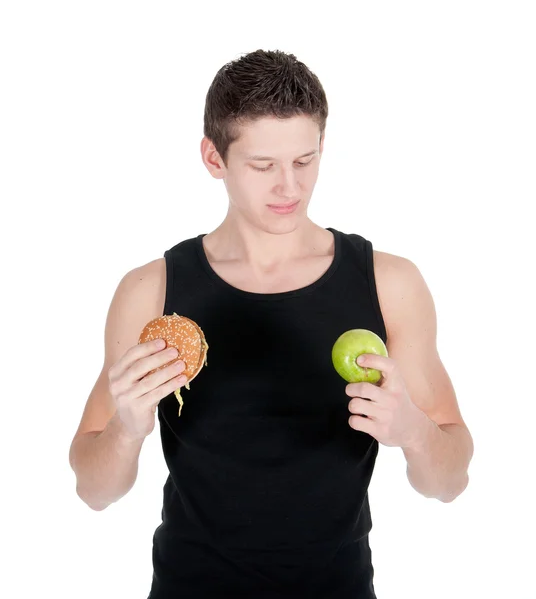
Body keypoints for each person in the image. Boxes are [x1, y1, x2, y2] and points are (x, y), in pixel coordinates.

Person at [68, 49, 474, 598]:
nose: (290, 187)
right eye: (263, 166)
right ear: (214, 158)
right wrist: (127, 428)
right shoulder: (151, 291)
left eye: (305, 161)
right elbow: (94, 491)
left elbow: (448, 483)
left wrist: (413, 433)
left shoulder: (389, 283)